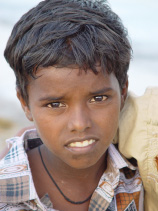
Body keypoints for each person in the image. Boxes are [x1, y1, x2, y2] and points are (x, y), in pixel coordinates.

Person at [0, 0, 144, 210]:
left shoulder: (143, 175)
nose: (79, 123)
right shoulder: (5, 194)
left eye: (98, 99)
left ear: (123, 92)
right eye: (55, 104)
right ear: (25, 104)